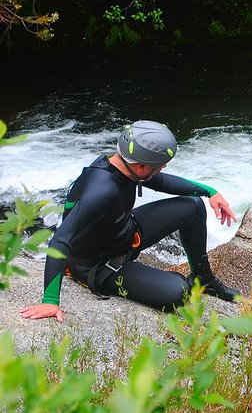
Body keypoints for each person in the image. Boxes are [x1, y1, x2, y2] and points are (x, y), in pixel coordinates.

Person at [20, 120, 240, 323]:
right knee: (179, 294)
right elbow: (59, 241)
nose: (163, 168)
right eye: (161, 164)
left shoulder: (122, 165)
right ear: (142, 167)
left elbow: (160, 181)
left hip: (124, 233)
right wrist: (50, 301)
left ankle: (204, 280)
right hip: (99, 265)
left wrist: (209, 192)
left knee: (193, 206)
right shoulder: (100, 190)